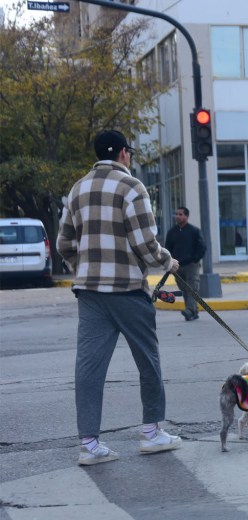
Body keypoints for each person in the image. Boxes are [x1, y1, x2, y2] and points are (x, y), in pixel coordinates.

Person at [57, 130, 182, 466]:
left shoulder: (77, 189)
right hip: (127, 290)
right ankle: (152, 432)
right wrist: (167, 261)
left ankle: (89, 444)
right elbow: (145, 242)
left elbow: (63, 244)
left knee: (89, 367)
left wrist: (83, 267)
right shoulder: (131, 187)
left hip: (90, 293)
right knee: (147, 361)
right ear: (125, 154)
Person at [165, 206, 206, 321]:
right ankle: (194, 311)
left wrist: (195, 259)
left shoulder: (194, 231)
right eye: (176, 214)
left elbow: (202, 247)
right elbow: (167, 249)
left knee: (191, 288)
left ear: (186, 216)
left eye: (180, 214)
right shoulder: (171, 232)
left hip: (191, 266)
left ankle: (189, 310)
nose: (177, 216)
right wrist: (169, 263)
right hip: (177, 267)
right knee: (184, 289)